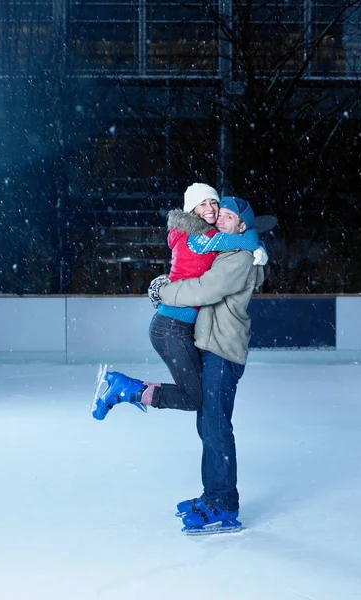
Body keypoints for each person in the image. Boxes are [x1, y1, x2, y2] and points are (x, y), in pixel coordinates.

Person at [91, 195, 265, 534]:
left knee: (215, 427)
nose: (221, 220)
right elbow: (190, 261)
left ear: (242, 225)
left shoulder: (240, 258)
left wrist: (164, 290)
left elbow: (204, 290)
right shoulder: (224, 249)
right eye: (221, 215)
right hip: (208, 346)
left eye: (229, 217)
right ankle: (212, 493)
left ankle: (224, 505)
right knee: (206, 423)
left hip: (223, 351)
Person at [92, 183, 264, 419]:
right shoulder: (201, 236)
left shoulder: (197, 232)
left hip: (173, 326)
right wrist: (258, 243)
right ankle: (126, 390)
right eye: (203, 204)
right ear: (192, 210)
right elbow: (246, 242)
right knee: (194, 398)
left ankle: (128, 388)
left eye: (214, 202)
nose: (211, 208)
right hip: (172, 327)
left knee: (194, 394)